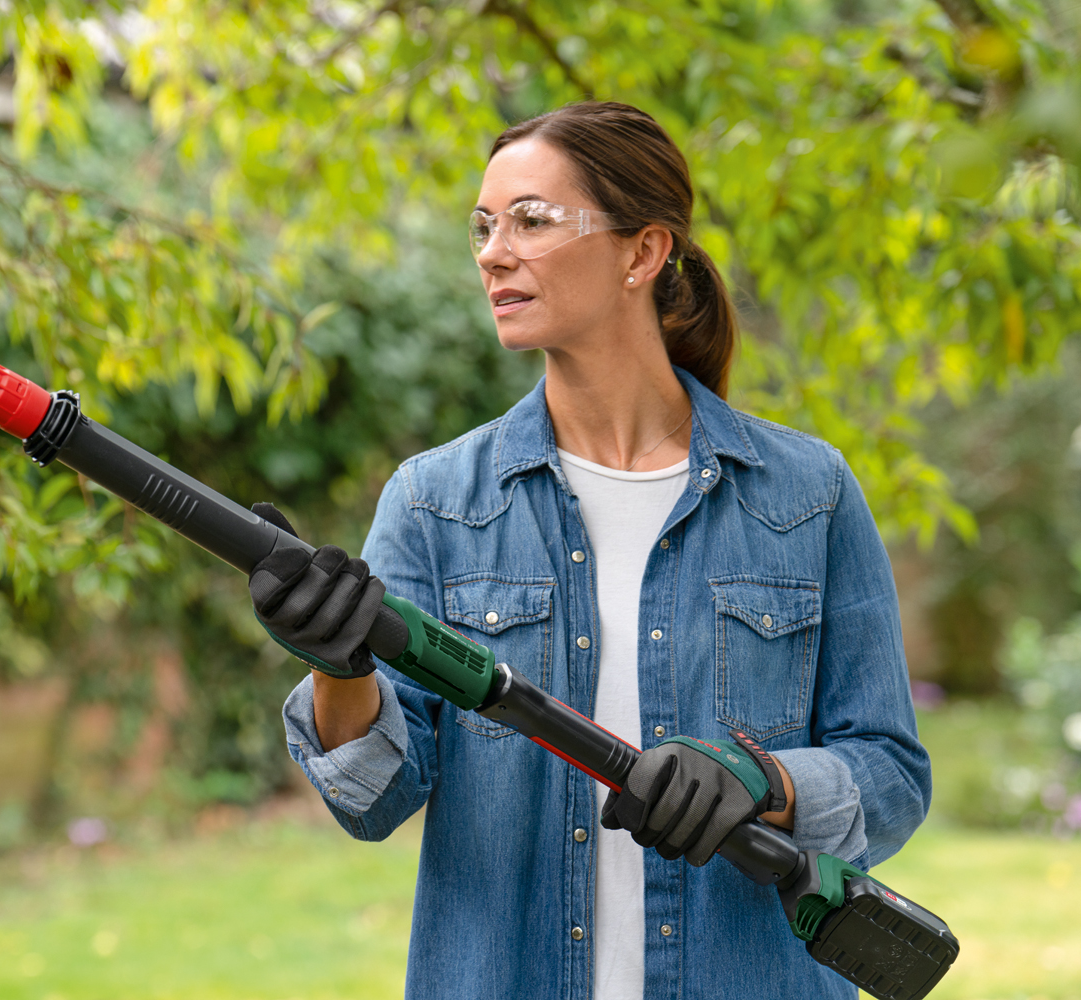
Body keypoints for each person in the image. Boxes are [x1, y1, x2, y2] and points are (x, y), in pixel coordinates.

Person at [248, 101, 931, 1000]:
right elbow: (373, 800)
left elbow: (890, 771)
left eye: (531, 221)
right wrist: (340, 668)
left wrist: (764, 781)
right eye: (484, 226)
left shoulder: (808, 493)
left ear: (642, 254)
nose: (494, 252)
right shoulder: (436, 501)